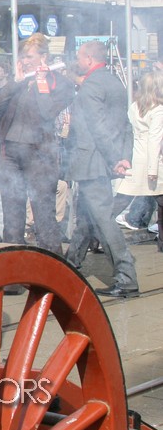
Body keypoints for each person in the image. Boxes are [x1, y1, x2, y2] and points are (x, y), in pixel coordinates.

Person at [64, 40, 139, 298]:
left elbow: (98, 127)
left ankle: (126, 278)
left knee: (104, 219)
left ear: (88, 59)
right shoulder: (115, 82)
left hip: (92, 161)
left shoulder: (91, 86)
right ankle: (70, 263)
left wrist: (114, 158)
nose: (77, 61)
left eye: (79, 56)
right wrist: (124, 156)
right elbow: (125, 124)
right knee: (86, 217)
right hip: (102, 160)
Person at [0, 34, 74, 254]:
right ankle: (13, 266)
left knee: (44, 214)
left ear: (44, 57)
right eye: (22, 57)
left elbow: (47, 112)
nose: (24, 61)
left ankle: (53, 265)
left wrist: (41, 81)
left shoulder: (61, 83)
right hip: (9, 153)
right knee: (12, 215)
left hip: (39, 155)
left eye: (29, 57)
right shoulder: (19, 81)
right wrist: (15, 83)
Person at [113, 70, 163, 244]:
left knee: (122, 199)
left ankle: (96, 233)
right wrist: (153, 170)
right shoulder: (158, 110)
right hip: (151, 160)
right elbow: (155, 141)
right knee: (161, 200)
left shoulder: (134, 107)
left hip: (136, 156)